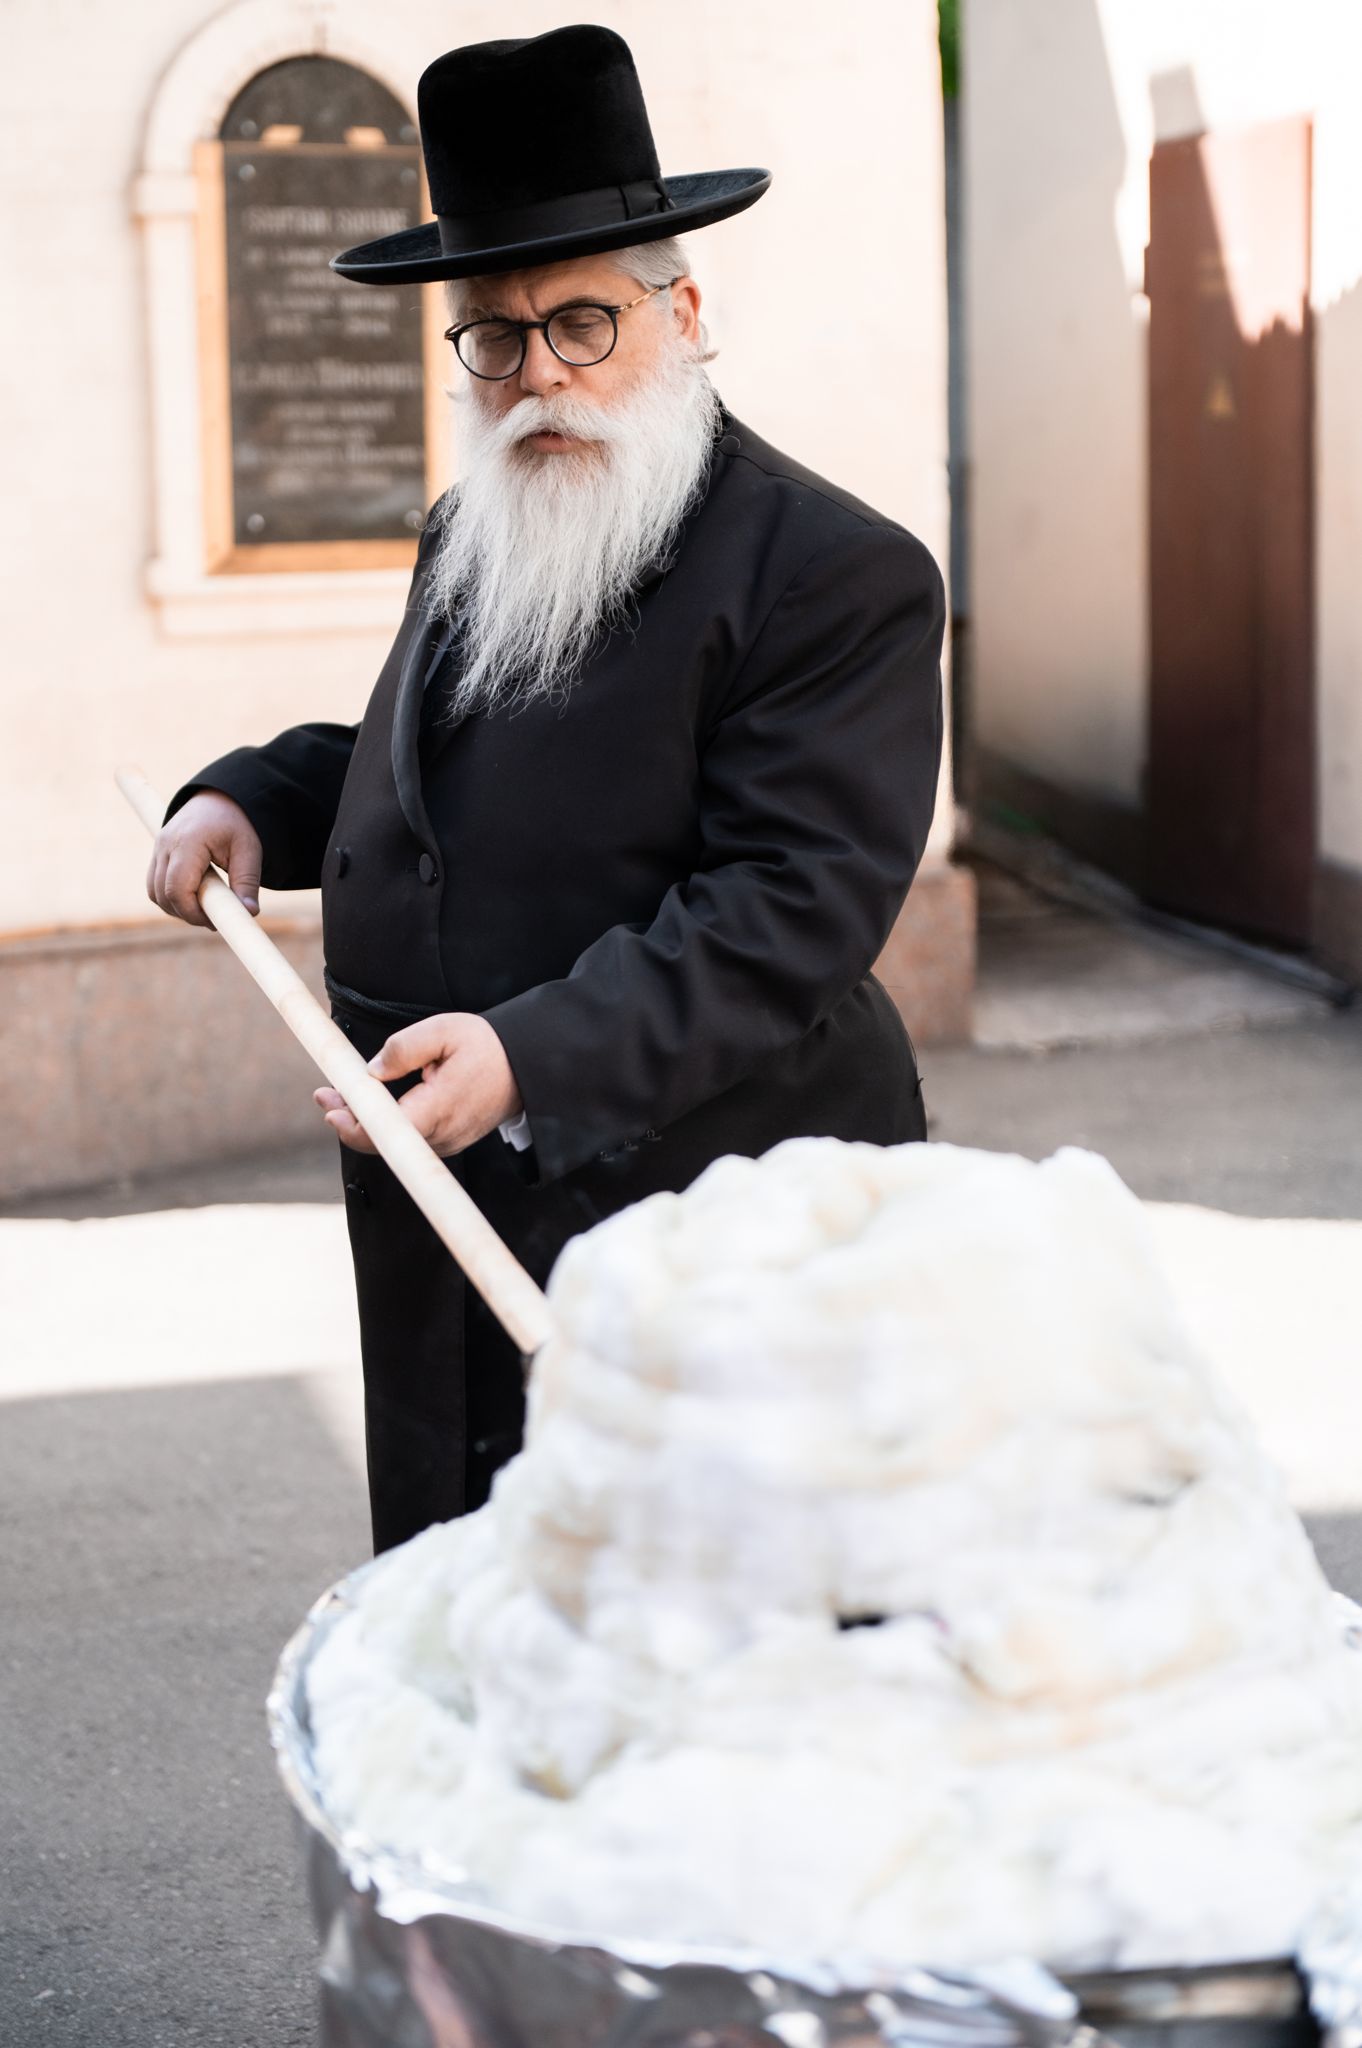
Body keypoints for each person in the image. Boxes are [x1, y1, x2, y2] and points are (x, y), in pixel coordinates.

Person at [148, 23, 946, 1554]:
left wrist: (528, 1053)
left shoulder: (835, 574)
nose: (539, 377)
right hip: (445, 1208)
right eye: (494, 336)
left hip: (699, 1212)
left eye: (581, 321)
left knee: (681, 1639)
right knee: (472, 1608)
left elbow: (789, 912)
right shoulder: (478, 519)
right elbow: (436, 765)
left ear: (684, 311)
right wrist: (251, 797)